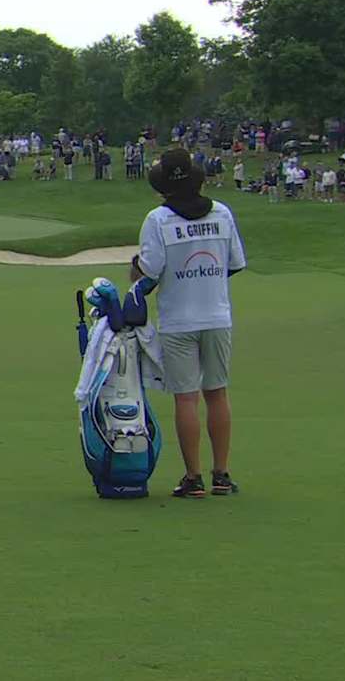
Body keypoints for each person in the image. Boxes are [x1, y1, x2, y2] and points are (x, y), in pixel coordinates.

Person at [132, 149, 246, 498]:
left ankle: (194, 477)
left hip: (178, 320)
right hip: (216, 315)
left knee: (186, 398)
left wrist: (134, 274)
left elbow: (149, 273)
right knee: (217, 393)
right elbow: (234, 263)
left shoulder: (158, 219)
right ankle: (222, 475)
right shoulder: (222, 213)